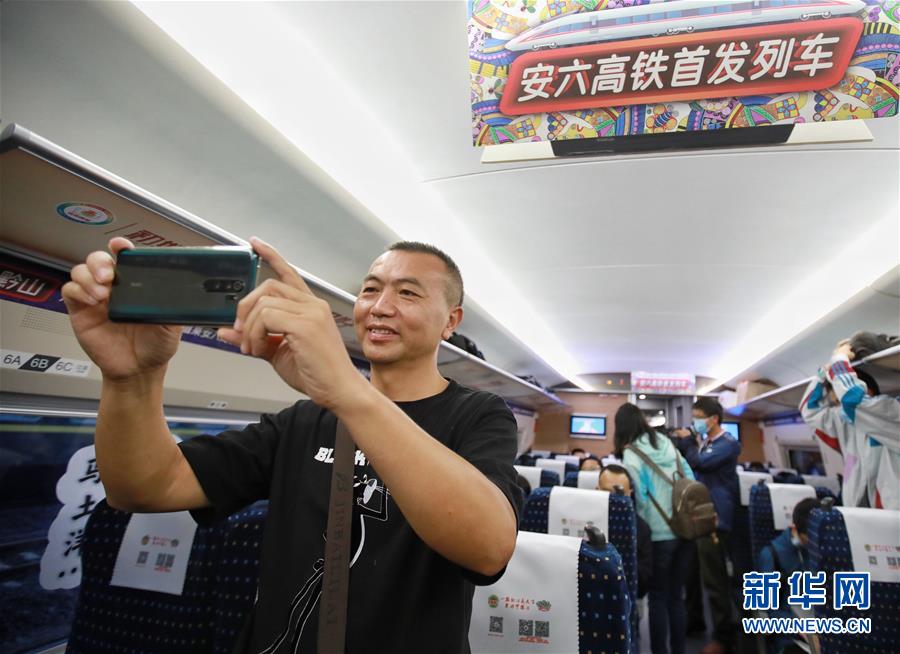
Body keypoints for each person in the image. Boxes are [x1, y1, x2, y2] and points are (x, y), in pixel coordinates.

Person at [62, 236, 522, 654]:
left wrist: (346, 390)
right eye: (370, 290)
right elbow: (145, 487)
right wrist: (132, 379)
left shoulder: (479, 415)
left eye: (408, 293)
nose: (380, 307)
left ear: (450, 321)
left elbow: (487, 548)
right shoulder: (304, 420)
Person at [617, 403, 695, 654]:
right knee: (677, 596)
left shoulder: (632, 454)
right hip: (685, 529)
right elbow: (690, 476)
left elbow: (639, 497)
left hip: (659, 533)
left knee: (658, 597)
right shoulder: (665, 442)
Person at [800, 335, 900, 510]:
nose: (839, 408)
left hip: (891, 514)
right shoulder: (844, 423)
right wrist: (822, 374)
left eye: (839, 402)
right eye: (835, 403)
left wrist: (839, 359)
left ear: (867, 390)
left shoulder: (890, 414)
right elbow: (808, 410)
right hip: (855, 509)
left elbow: (852, 400)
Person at [675, 397, 742, 654]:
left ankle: (724, 637)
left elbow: (701, 463)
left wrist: (688, 443)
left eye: (699, 417)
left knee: (714, 580)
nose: (695, 422)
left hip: (715, 518)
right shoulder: (707, 443)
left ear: (713, 419)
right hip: (698, 515)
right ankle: (694, 622)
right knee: (690, 574)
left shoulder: (728, 444)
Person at [757, 498, 822, 654]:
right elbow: (767, 611)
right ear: (795, 529)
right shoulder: (771, 555)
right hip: (790, 636)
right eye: (809, 540)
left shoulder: (822, 549)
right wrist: (799, 628)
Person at [597, 463, 652, 599]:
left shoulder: (640, 529)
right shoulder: (582, 519)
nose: (613, 500)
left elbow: (643, 586)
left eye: (619, 494)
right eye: (606, 492)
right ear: (596, 490)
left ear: (629, 494)